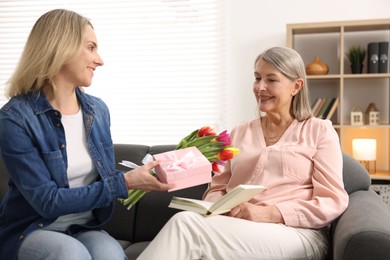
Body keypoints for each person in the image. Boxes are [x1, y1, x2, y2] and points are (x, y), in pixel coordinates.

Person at [137, 46, 349, 260]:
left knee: (186, 225)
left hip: (296, 233)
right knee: (190, 224)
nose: (260, 87)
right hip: (237, 226)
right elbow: (218, 187)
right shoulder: (239, 133)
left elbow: (332, 200)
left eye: (271, 80)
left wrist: (270, 213)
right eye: (257, 78)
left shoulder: (319, 131)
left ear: (296, 86)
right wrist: (219, 206)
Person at [0, 9, 173, 260]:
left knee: (110, 255)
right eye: (91, 48)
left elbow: (104, 177)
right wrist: (126, 183)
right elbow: (47, 201)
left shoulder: (97, 110)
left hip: (84, 226)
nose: (99, 60)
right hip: (32, 230)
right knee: (71, 253)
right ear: (61, 47)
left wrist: (148, 174)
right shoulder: (15, 118)